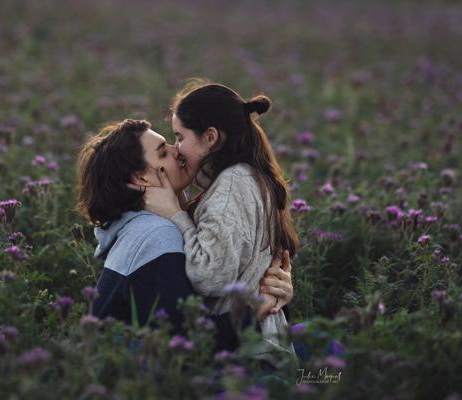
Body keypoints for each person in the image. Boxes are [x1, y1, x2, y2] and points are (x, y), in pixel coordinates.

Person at [76, 119, 292, 351]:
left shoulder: (150, 225)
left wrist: (276, 293)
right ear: (141, 179)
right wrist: (260, 310)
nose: (176, 151)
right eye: (163, 153)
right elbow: (192, 340)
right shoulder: (156, 235)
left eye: (172, 142)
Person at [134, 80, 299, 363]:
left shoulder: (233, 184)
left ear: (210, 138)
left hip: (250, 356)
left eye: (180, 137)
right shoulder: (243, 178)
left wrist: (175, 215)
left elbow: (209, 276)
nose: (176, 149)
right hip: (254, 344)